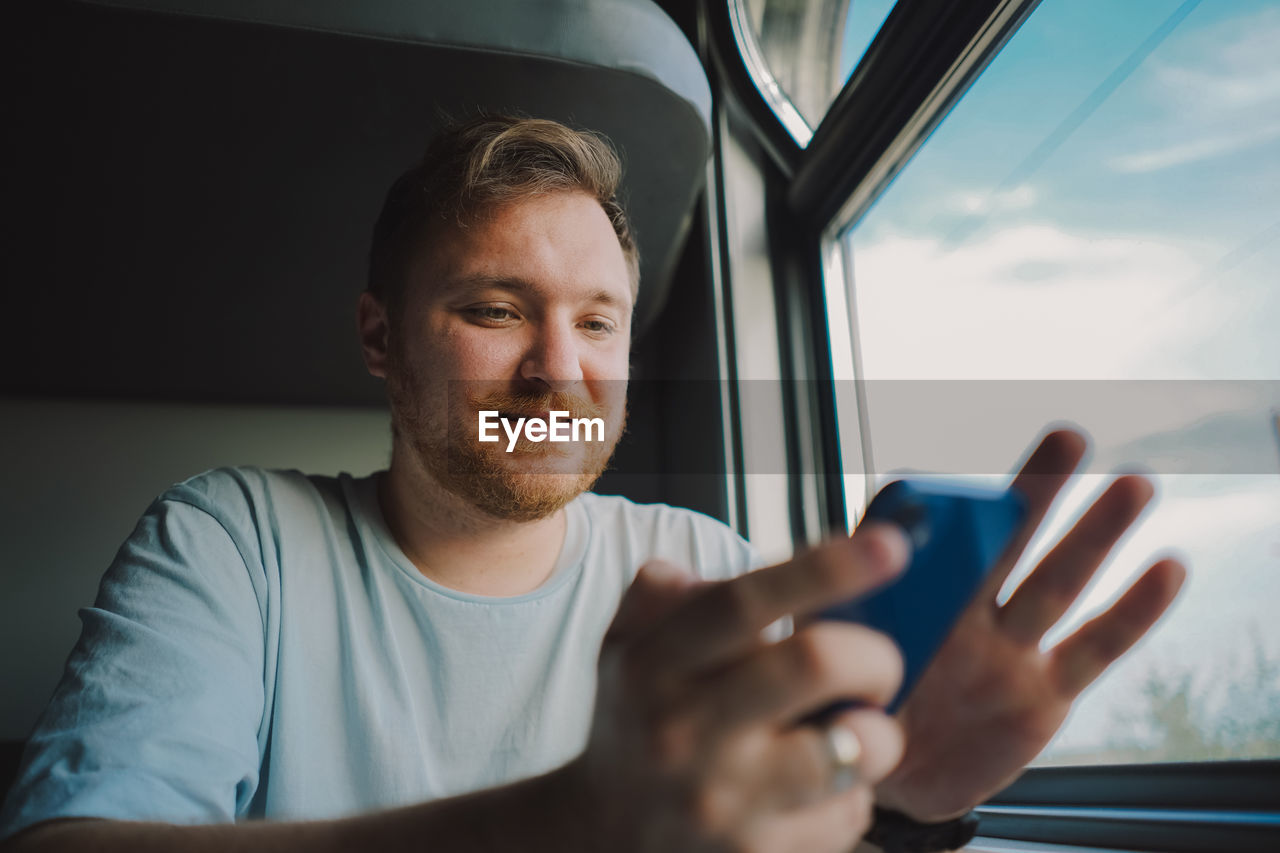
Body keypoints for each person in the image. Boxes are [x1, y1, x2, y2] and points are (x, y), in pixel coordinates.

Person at [0, 116, 1185, 853]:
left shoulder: (707, 565)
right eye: (494, 309)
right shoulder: (233, 539)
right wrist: (566, 826)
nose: (556, 369)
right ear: (378, 338)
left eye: (597, 322)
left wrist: (898, 807)